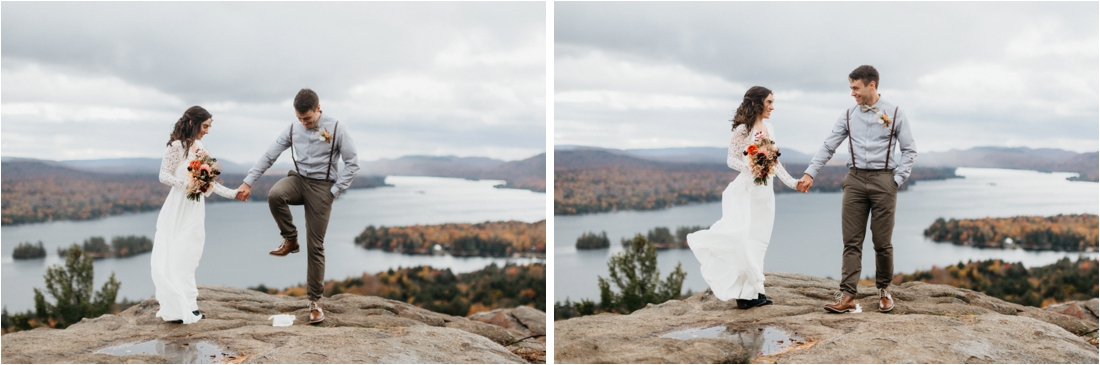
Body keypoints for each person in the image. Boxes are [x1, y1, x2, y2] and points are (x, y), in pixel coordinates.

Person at [796, 65, 917, 313]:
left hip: (884, 181)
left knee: (882, 243)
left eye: (855, 88)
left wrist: (897, 180)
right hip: (854, 181)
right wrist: (810, 173)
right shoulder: (849, 115)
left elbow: (909, 150)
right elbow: (828, 146)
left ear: (871, 85)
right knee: (851, 241)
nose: (852, 93)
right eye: (851, 88)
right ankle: (848, 296)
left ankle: (884, 291)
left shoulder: (895, 112)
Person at [236, 88, 359, 324]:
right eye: (299, 118)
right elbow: (269, 155)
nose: (303, 123)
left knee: (315, 246)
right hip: (299, 180)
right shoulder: (293, 129)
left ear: (318, 109)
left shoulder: (336, 128)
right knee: (275, 195)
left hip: (323, 187)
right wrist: (248, 182)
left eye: (308, 119)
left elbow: (353, 164)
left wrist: (334, 191)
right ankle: (290, 239)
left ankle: (315, 303)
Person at [686, 86, 800, 309]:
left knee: (760, 241)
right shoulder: (742, 129)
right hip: (749, 191)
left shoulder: (770, 128)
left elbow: (775, 163)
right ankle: (745, 295)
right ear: (757, 103)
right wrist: (752, 167)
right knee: (745, 239)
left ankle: (754, 291)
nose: (772, 107)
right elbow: (731, 160)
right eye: (769, 102)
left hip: (766, 193)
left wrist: (794, 183)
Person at [151, 105, 240, 324]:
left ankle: (189, 306)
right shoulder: (176, 146)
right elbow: (163, 175)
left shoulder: (199, 148)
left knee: (190, 254)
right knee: (177, 252)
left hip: (195, 207)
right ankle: (178, 307)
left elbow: (210, 182)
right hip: (178, 206)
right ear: (193, 123)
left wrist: (233, 194)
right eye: (205, 126)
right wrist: (189, 184)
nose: (207, 131)